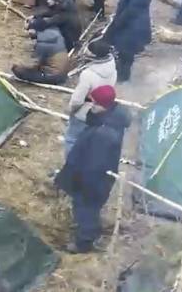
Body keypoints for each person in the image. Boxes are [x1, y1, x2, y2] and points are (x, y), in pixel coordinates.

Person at [55, 84, 128, 253]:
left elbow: (94, 166)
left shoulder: (103, 134)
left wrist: (79, 183)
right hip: (97, 178)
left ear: (104, 105)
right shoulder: (111, 118)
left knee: (86, 209)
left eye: (94, 103)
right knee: (89, 209)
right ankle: (88, 230)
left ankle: (84, 242)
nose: (91, 106)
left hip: (92, 183)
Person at [65, 41, 117, 158]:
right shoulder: (113, 68)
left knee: (71, 139)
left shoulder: (88, 74)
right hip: (99, 113)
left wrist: (72, 110)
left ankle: (69, 167)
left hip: (83, 112)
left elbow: (77, 100)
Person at [103, 0, 152, 82]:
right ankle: (122, 72)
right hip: (138, 25)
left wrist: (116, 24)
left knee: (125, 52)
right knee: (127, 51)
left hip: (130, 27)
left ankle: (123, 76)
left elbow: (128, 12)